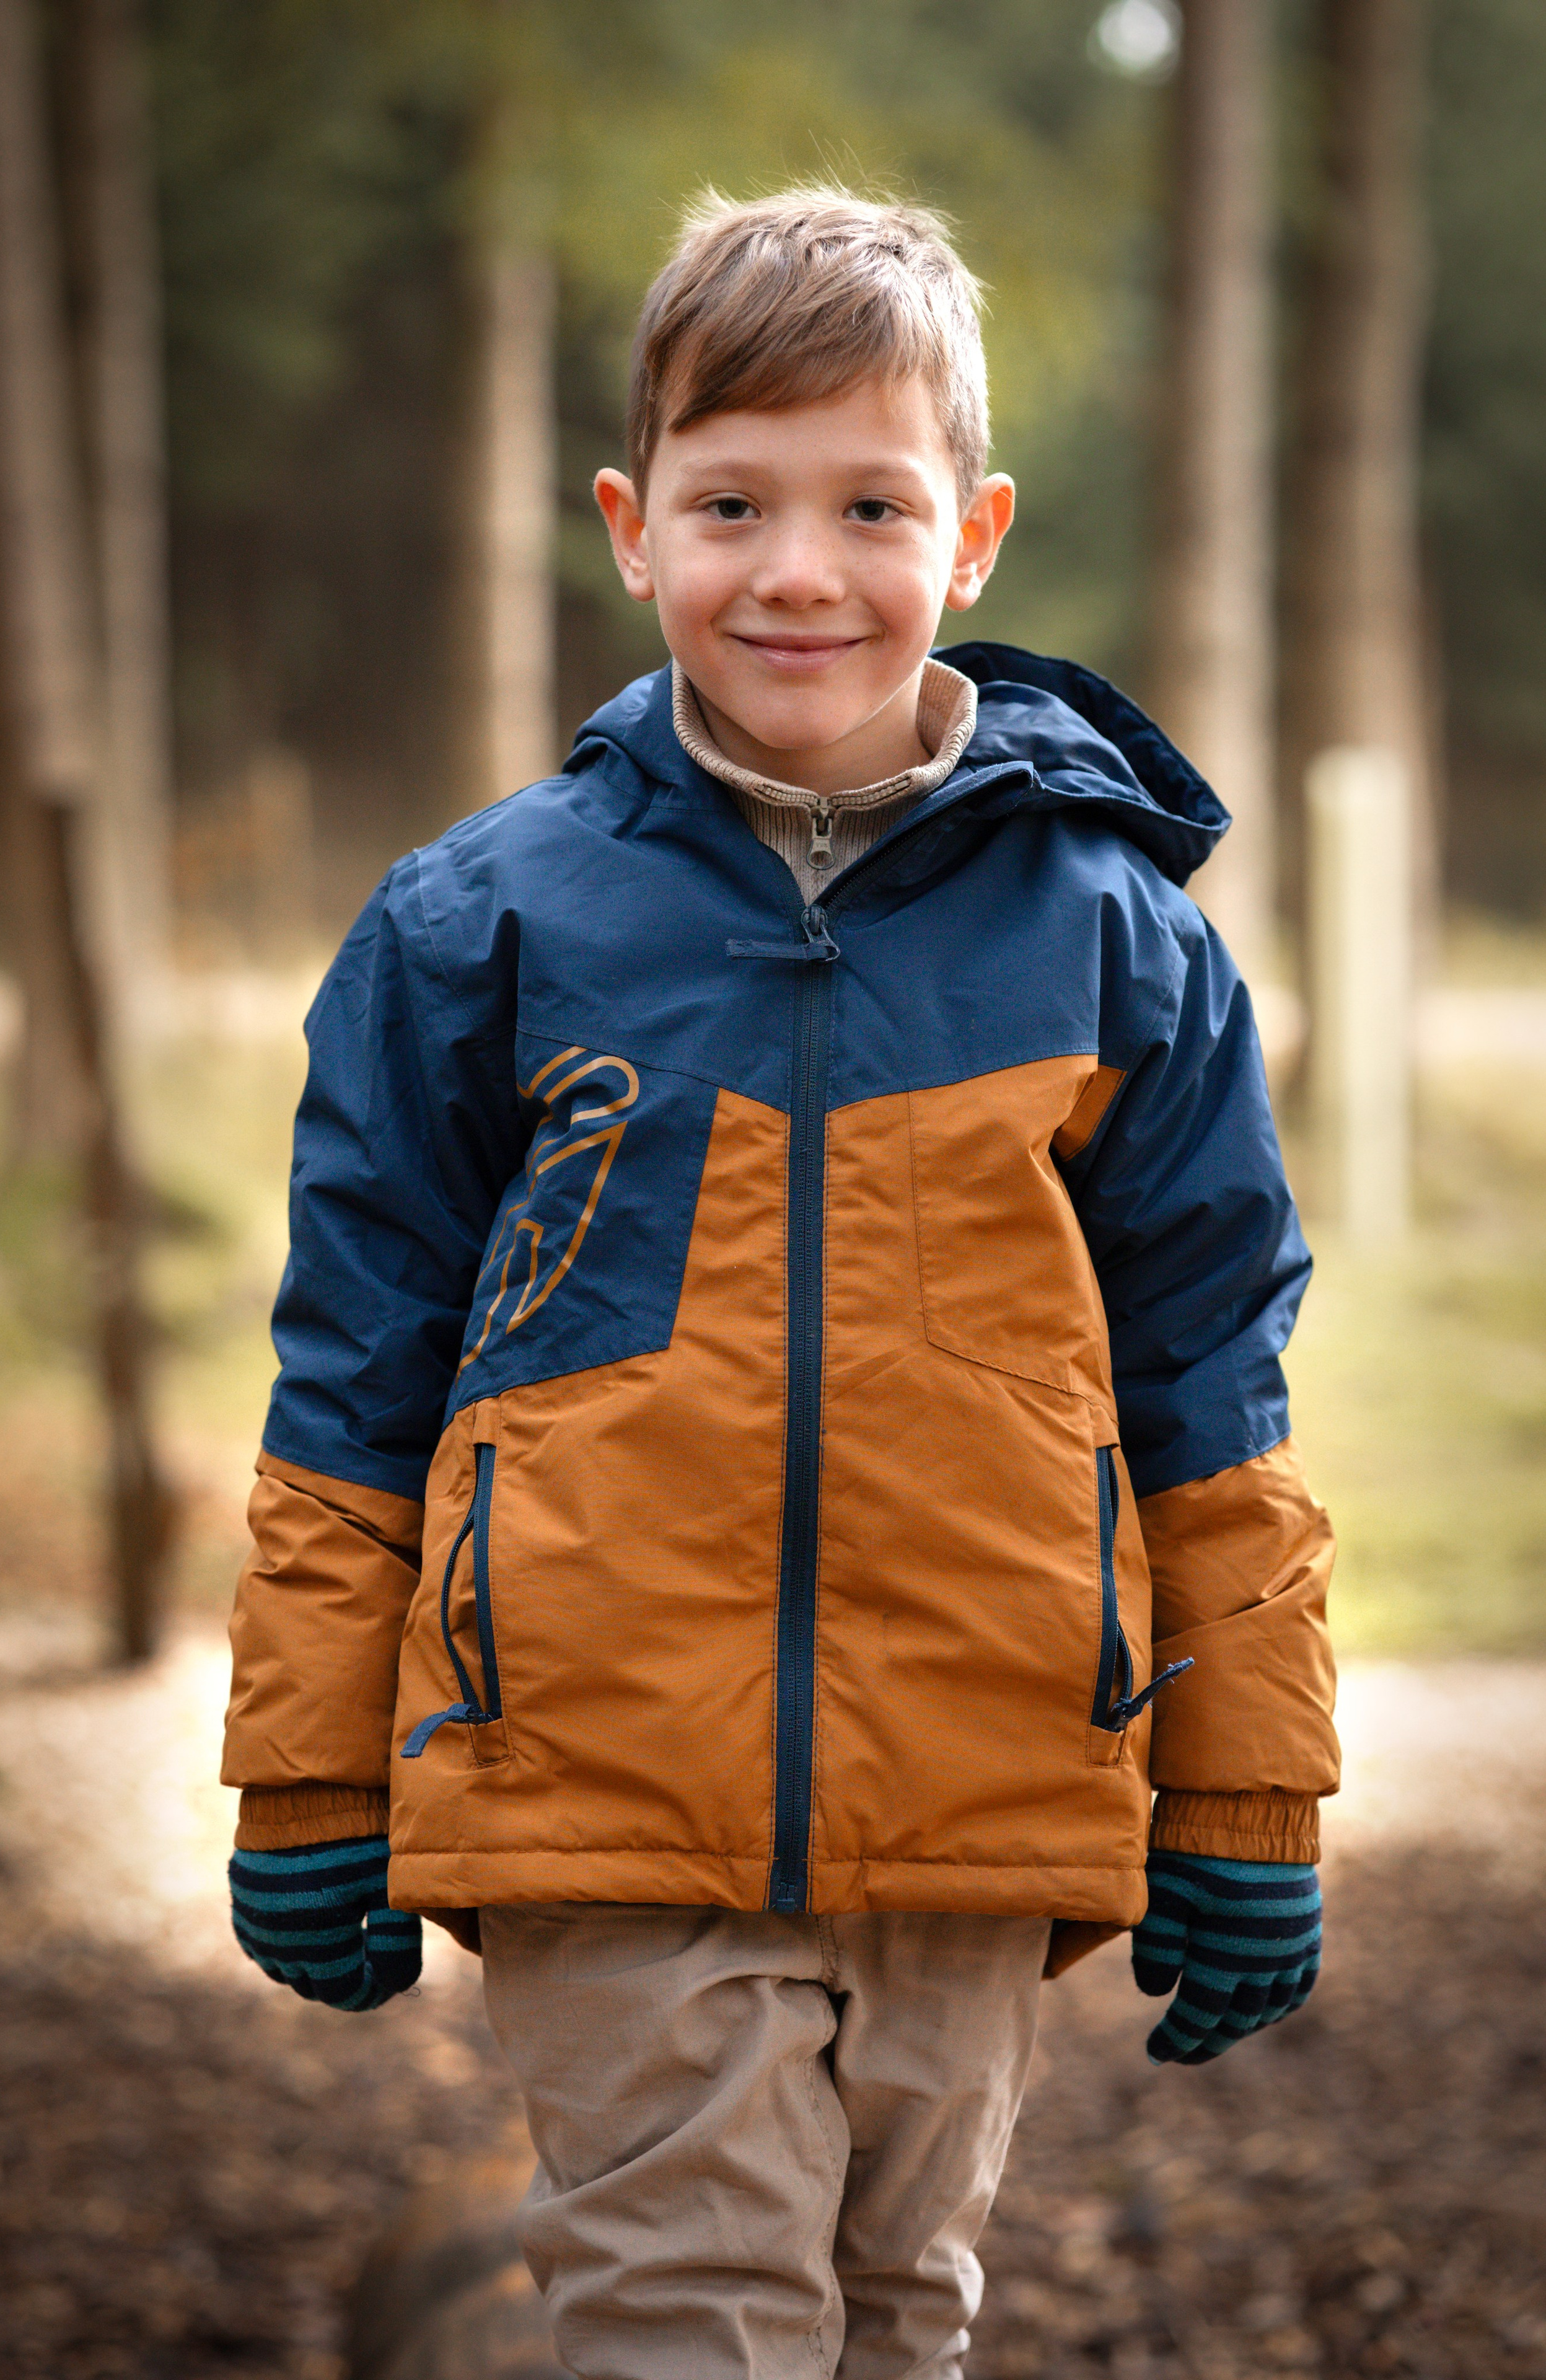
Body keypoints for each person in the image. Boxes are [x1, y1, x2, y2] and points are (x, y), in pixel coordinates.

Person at [223, 188, 1338, 2380]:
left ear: (979, 533)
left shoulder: (1122, 940)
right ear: (634, 528)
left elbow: (1216, 1378)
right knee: (689, 2323)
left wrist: (1245, 1791)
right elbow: (352, 1373)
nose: (799, 570)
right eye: (732, 502)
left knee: (893, 2318)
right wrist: (306, 1775)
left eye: (870, 504)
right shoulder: (481, 927)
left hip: (988, 1790)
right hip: (600, 1793)